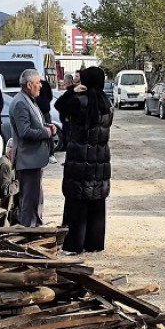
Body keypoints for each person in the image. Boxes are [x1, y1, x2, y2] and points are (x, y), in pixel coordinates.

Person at [54, 66, 113, 254]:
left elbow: (59, 106)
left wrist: (71, 90)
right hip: (100, 160)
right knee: (97, 202)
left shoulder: (79, 101)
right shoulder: (107, 103)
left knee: (76, 203)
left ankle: (73, 245)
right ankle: (94, 244)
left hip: (79, 159)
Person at [9, 69, 57, 227]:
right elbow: (25, 132)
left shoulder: (28, 99)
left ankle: (36, 227)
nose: (40, 86)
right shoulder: (21, 103)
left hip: (33, 160)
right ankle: (29, 232)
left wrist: (46, 126)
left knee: (35, 198)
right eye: (37, 83)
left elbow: (33, 123)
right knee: (29, 201)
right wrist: (47, 132)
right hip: (28, 160)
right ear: (29, 84)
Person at [35, 78, 57, 164]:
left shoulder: (44, 84)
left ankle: (50, 154)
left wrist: (44, 102)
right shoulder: (32, 84)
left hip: (43, 111)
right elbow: (50, 97)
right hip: (40, 111)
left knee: (48, 132)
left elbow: (50, 96)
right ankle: (48, 154)